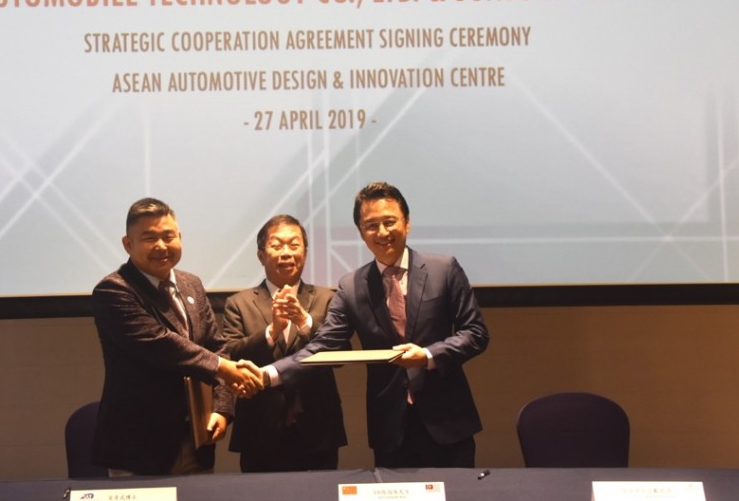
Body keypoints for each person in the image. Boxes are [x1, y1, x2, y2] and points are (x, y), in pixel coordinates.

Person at [262, 182, 490, 468]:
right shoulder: (352, 286)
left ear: (407, 223)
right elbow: (323, 346)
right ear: (361, 232)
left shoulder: (443, 269)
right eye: (371, 225)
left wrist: (428, 356)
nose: (382, 233)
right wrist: (270, 374)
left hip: (449, 423)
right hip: (390, 429)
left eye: (389, 222)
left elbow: (476, 333)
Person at [90, 198, 262, 476]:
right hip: (139, 448)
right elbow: (162, 344)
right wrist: (226, 370)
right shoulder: (113, 291)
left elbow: (217, 347)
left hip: (196, 438)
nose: (161, 246)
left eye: (168, 236)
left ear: (180, 237)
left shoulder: (190, 283)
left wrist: (221, 409)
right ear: (128, 244)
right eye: (149, 238)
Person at [221, 215, 347, 472]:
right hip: (259, 430)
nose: (286, 253)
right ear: (260, 255)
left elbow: (342, 354)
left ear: (306, 252)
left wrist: (303, 321)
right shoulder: (239, 303)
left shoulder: (327, 298)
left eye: (294, 245)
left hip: (318, 430)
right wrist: (272, 330)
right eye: (277, 245)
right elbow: (230, 356)